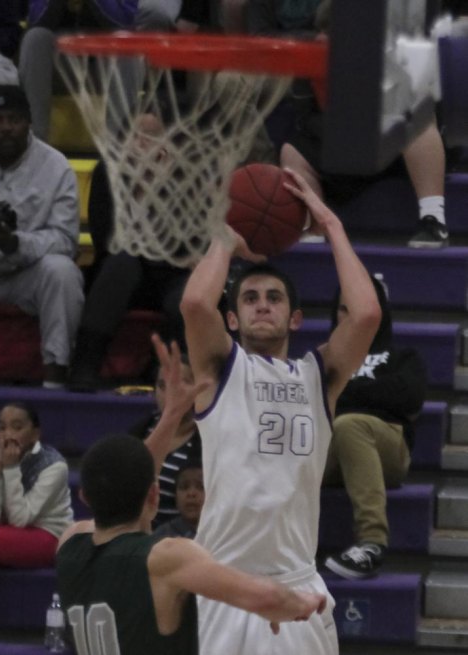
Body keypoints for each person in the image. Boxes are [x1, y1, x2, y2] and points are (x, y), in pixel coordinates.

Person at [179, 169, 381, 655]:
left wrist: (330, 223)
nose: (261, 306)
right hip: (224, 583)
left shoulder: (320, 376)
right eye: (249, 299)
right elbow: (192, 303)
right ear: (233, 318)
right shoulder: (220, 368)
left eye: (273, 298)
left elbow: (367, 315)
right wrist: (225, 237)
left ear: (295, 317)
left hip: (296, 585)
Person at [56, 335, 327, 655]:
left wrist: (171, 416)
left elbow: (132, 474)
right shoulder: (165, 558)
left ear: (85, 497)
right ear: (155, 496)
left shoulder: (69, 544)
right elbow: (265, 598)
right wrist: (304, 602)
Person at [246, 0, 450, 248]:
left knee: (416, 117)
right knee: (293, 151)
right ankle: (314, 225)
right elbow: (307, 118)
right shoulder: (313, 62)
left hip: (395, 150)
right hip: (345, 145)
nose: (325, 38)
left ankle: (433, 219)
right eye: (325, 32)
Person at [0, 84, 84, 388]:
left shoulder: (56, 166)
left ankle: (55, 380)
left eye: (14, 119)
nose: (6, 128)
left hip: (24, 274)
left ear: (29, 122)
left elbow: (65, 240)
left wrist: (14, 242)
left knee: (62, 272)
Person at [68, 113, 191, 391]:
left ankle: (161, 368)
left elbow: (188, 245)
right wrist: (138, 187)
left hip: (172, 275)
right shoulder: (106, 173)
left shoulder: (185, 176)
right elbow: (106, 239)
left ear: (166, 143)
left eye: (149, 136)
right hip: (128, 273)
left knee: (184, 296)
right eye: (134, 136)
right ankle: (86, 363)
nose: (140, 144)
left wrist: (159, 188)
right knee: (121, 264)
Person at [322, 274, 427, 579]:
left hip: (387, 448)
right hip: (330, 448)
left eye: (360, 306)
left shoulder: (402, 356)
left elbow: (409, 397)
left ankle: (372, 542)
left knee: (349, 424)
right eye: (344, 308)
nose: (352, 315)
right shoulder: (321, 359)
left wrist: (340, 392)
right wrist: (374, 392)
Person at [19, 0, 185, 142]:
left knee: (128, 46)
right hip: (62, 69)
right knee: (36, 37)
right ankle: (35, 143)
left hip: (105, 69)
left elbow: (125, 23)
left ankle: (116, 145)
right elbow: (36, 21)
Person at [0, 401, 73, 579]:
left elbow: (21, 519)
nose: (8, 434)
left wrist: (10, 469)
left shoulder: (55, 466)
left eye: (17, 427)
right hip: (5, 534)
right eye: (2, 428)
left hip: (47, 537)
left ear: (35, 434)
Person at [130, 350, 201, 528]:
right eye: (162, 385)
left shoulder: (208, 442)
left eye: (179, 384)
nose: (169, 393)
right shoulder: (138, 433)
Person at [152, 457, 204, 538]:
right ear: (175, 496)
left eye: (200, 486)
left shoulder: (222, 530)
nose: (191, 493)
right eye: (184, 487)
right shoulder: (162, 536)